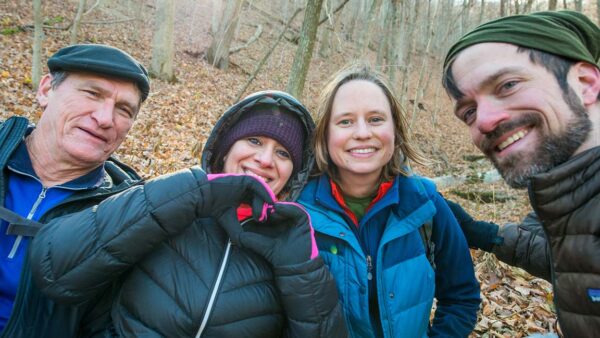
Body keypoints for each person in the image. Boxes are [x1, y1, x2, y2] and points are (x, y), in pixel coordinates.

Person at [30, 90, 348, 337]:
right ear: (225, 148)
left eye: (282, 153)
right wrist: (194, 192)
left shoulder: (293, 242)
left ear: (293, 174)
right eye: (254, 140)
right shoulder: (171, 199)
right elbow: (53, 267)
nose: (265, 159)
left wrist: (299, 265)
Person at [442, 10, 600, 336]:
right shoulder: (568, 196)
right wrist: (483, 233)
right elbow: (576, 259)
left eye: (508, 85)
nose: (483, 121)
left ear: (586, 83)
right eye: (469, 111)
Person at [298, 64, 481, 337]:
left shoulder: (426, 206)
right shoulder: (297, 213)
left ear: (395, 130)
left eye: (375, 119)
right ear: (325, 134)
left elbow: (461, 297)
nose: (362, 133)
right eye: (345, 121)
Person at [0, 43, 149, 336]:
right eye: (92, 93)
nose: (105, 118)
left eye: (123, 109)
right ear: (46, 90)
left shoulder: (125, 217)